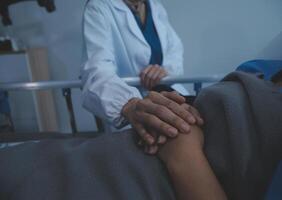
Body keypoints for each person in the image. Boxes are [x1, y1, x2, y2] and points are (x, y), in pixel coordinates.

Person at [81, 0, 191, 136]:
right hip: (133, 105)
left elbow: (174, 51)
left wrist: (165, 71)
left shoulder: (155, 6)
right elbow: (97, 71)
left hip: (171, 93)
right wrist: (129, 105)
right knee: (178, 134)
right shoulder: (99, 6)